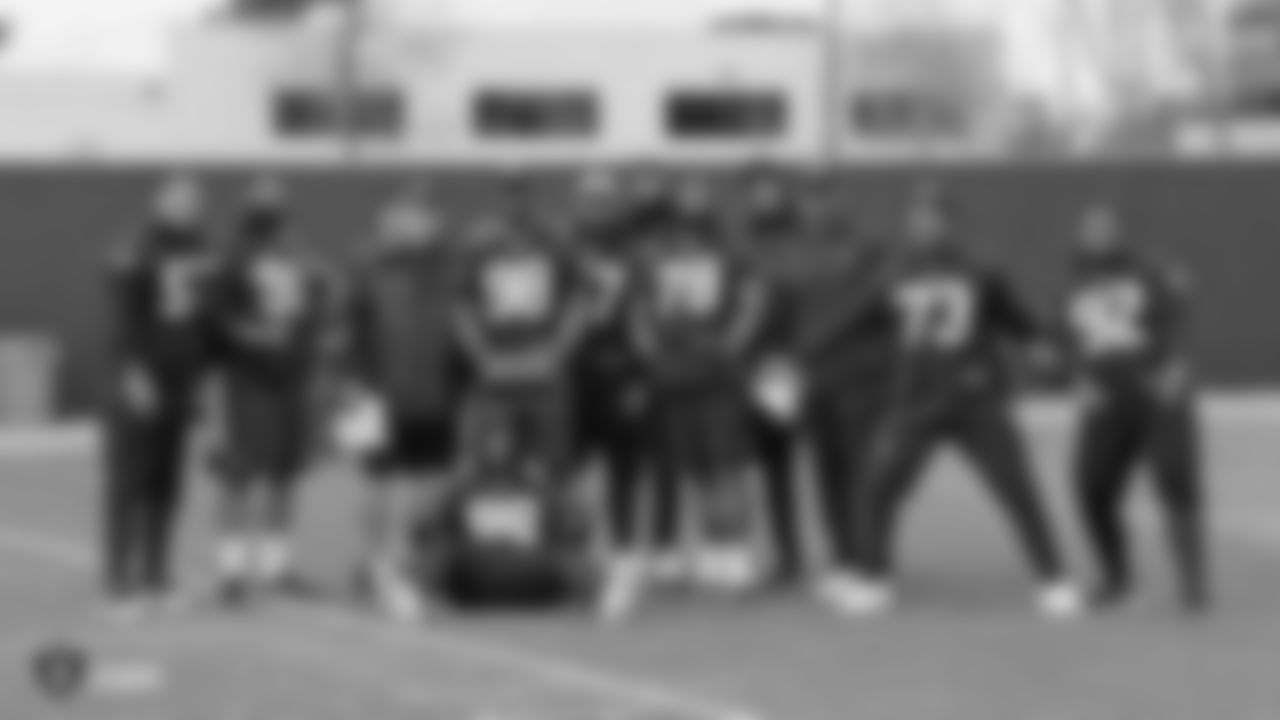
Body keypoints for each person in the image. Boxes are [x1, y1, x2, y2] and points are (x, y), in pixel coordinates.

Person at [850, 191, 1081, 619]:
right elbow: (864, 327)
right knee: (877, 484)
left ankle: (1054, 580)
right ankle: (873, 580)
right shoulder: (893, 275)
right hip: (915, 402)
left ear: (950, 224)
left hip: (976, 399)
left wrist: (1042, 347)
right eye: (916, 219)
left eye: (931, 219)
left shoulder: (980, 273)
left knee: (1016, 487)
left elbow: (1017, 322)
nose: (922, 227)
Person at [605, 194, 769, 620]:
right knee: (691, 466)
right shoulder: (652, 259)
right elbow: (638, 315)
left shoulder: (731, 254)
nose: (690, 227)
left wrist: (731, 345)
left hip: (717, 380)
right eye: (685, 219)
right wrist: (653, 356)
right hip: (674, 380)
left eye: (699, 219)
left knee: (725, 466)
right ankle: (708, 549)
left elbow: (753, 302)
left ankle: (734, 552)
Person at [1063, 204, 1208, 613]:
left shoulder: (1149, 270)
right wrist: (1078, 379)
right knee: (1090, 485)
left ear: (1119, 232)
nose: (1098, 235)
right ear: (1080, 236)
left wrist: (1177, 364)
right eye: (1090, 229)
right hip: (1108, 400)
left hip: (1156, 391)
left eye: (1105, 228)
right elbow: (1067, 339)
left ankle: (1193, 584)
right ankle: (1116, 576)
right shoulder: (1074, 283)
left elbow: (1177, 316)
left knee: (1175, 478)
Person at [340, 190, 468, 620]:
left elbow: (461, 329)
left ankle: (412, 566)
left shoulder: (448, 269)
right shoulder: (366, 268)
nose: (414, 225)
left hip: (435, 394)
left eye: (423, 217)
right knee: (377, 483)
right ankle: (377, 568)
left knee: (432, 485)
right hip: (375, 395)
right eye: (404, 217)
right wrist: (352, 385)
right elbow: (347, 330)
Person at [207, 178, 329, 606]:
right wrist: (255, 334)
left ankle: (277, 567)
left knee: (285, 474)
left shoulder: (297, 255)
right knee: (238, 474)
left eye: (278, 202)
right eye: (264, 203)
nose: (272, 211)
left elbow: (315, 307)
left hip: (292, 377)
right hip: (248, 380)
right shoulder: (232, 256)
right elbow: (218, 317)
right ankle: (231, 571)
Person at [102, 174, 217, 621]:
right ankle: (117, 584)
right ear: (159, 202)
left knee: (167, 484)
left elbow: (205, 319)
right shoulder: (136, 248)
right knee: (129, 483)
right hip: (140, 380)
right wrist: (132, 371)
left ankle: (157, 576)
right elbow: (120, 315)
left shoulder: (201, 250)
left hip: (181, 380)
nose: (188, 207)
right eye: (179, 199)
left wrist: (204, 376)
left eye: (194, 200)